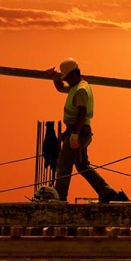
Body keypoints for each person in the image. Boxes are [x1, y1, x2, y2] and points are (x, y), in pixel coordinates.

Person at [46, 58, 123, 203]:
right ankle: (106, 192)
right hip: (80, 130)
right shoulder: (78, 86)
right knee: (82, 165)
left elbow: (82, 113)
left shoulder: (80, 90)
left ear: (74, 74)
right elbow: (60, 88)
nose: (66, 80)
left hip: (78, 130)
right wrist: (54, 76)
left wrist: (75, 135)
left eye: (67, 77)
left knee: (63, 164)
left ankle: (59, 199)